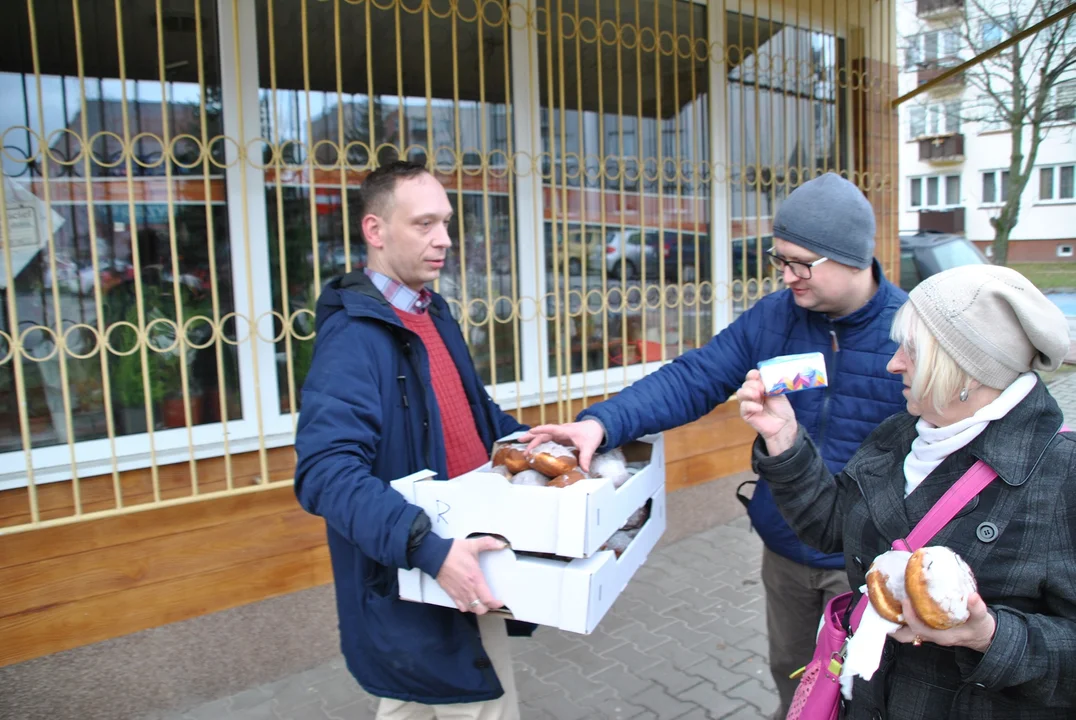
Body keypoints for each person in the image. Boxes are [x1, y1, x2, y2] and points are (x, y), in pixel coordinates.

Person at [522, 173, 908, 717]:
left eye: (800, 263)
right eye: (779, 260)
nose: (786, 276)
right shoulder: (776, 318)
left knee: (868, 694)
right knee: (797, 681)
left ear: (851, 256)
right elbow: (695, 377)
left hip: (873, 563)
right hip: (788, 552)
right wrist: (601, 425)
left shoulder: (910, 333)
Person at [737, 264, 1076, 718]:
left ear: (968, 368)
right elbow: (832, 528)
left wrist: (987, 634)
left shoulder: (1062, 472)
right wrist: (783, 439)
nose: (893, 363)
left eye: (912, 351)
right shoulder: (901, 434)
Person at [294, 161, 531, 720]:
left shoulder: (432, 311)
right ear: (375, 231)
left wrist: (528, 440)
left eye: (446, 222)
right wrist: (430, 549)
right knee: (477, 698)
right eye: (424, 224)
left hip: (461, 550)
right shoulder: (353, 339)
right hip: (424, 567)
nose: (444, 240)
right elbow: (325, 473)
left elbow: (469, 410)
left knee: (412, 697)